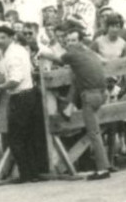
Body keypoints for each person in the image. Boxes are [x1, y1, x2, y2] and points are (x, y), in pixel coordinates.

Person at [48, 20, 112, 178]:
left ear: (80, 41)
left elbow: (58, 59)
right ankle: (105, 165)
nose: (70, 43)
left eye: (73, 40)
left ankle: (103, 169)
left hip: (90, 96)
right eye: (68, 40)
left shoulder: (72, 53)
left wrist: (43, 54)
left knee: (94, 133)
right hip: (101, 94)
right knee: (96, 132)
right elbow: (103, 61)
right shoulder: (88, 51)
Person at [0, 22, 48, 183]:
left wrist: (1, 87)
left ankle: (26, 174)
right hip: (29, 95)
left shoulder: (13, 53)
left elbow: (16, 79)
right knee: (28, 136)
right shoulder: (17, 50)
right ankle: (33, 173)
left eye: (2, 37)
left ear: (10, 37)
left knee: (16, 137)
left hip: (22, 96)